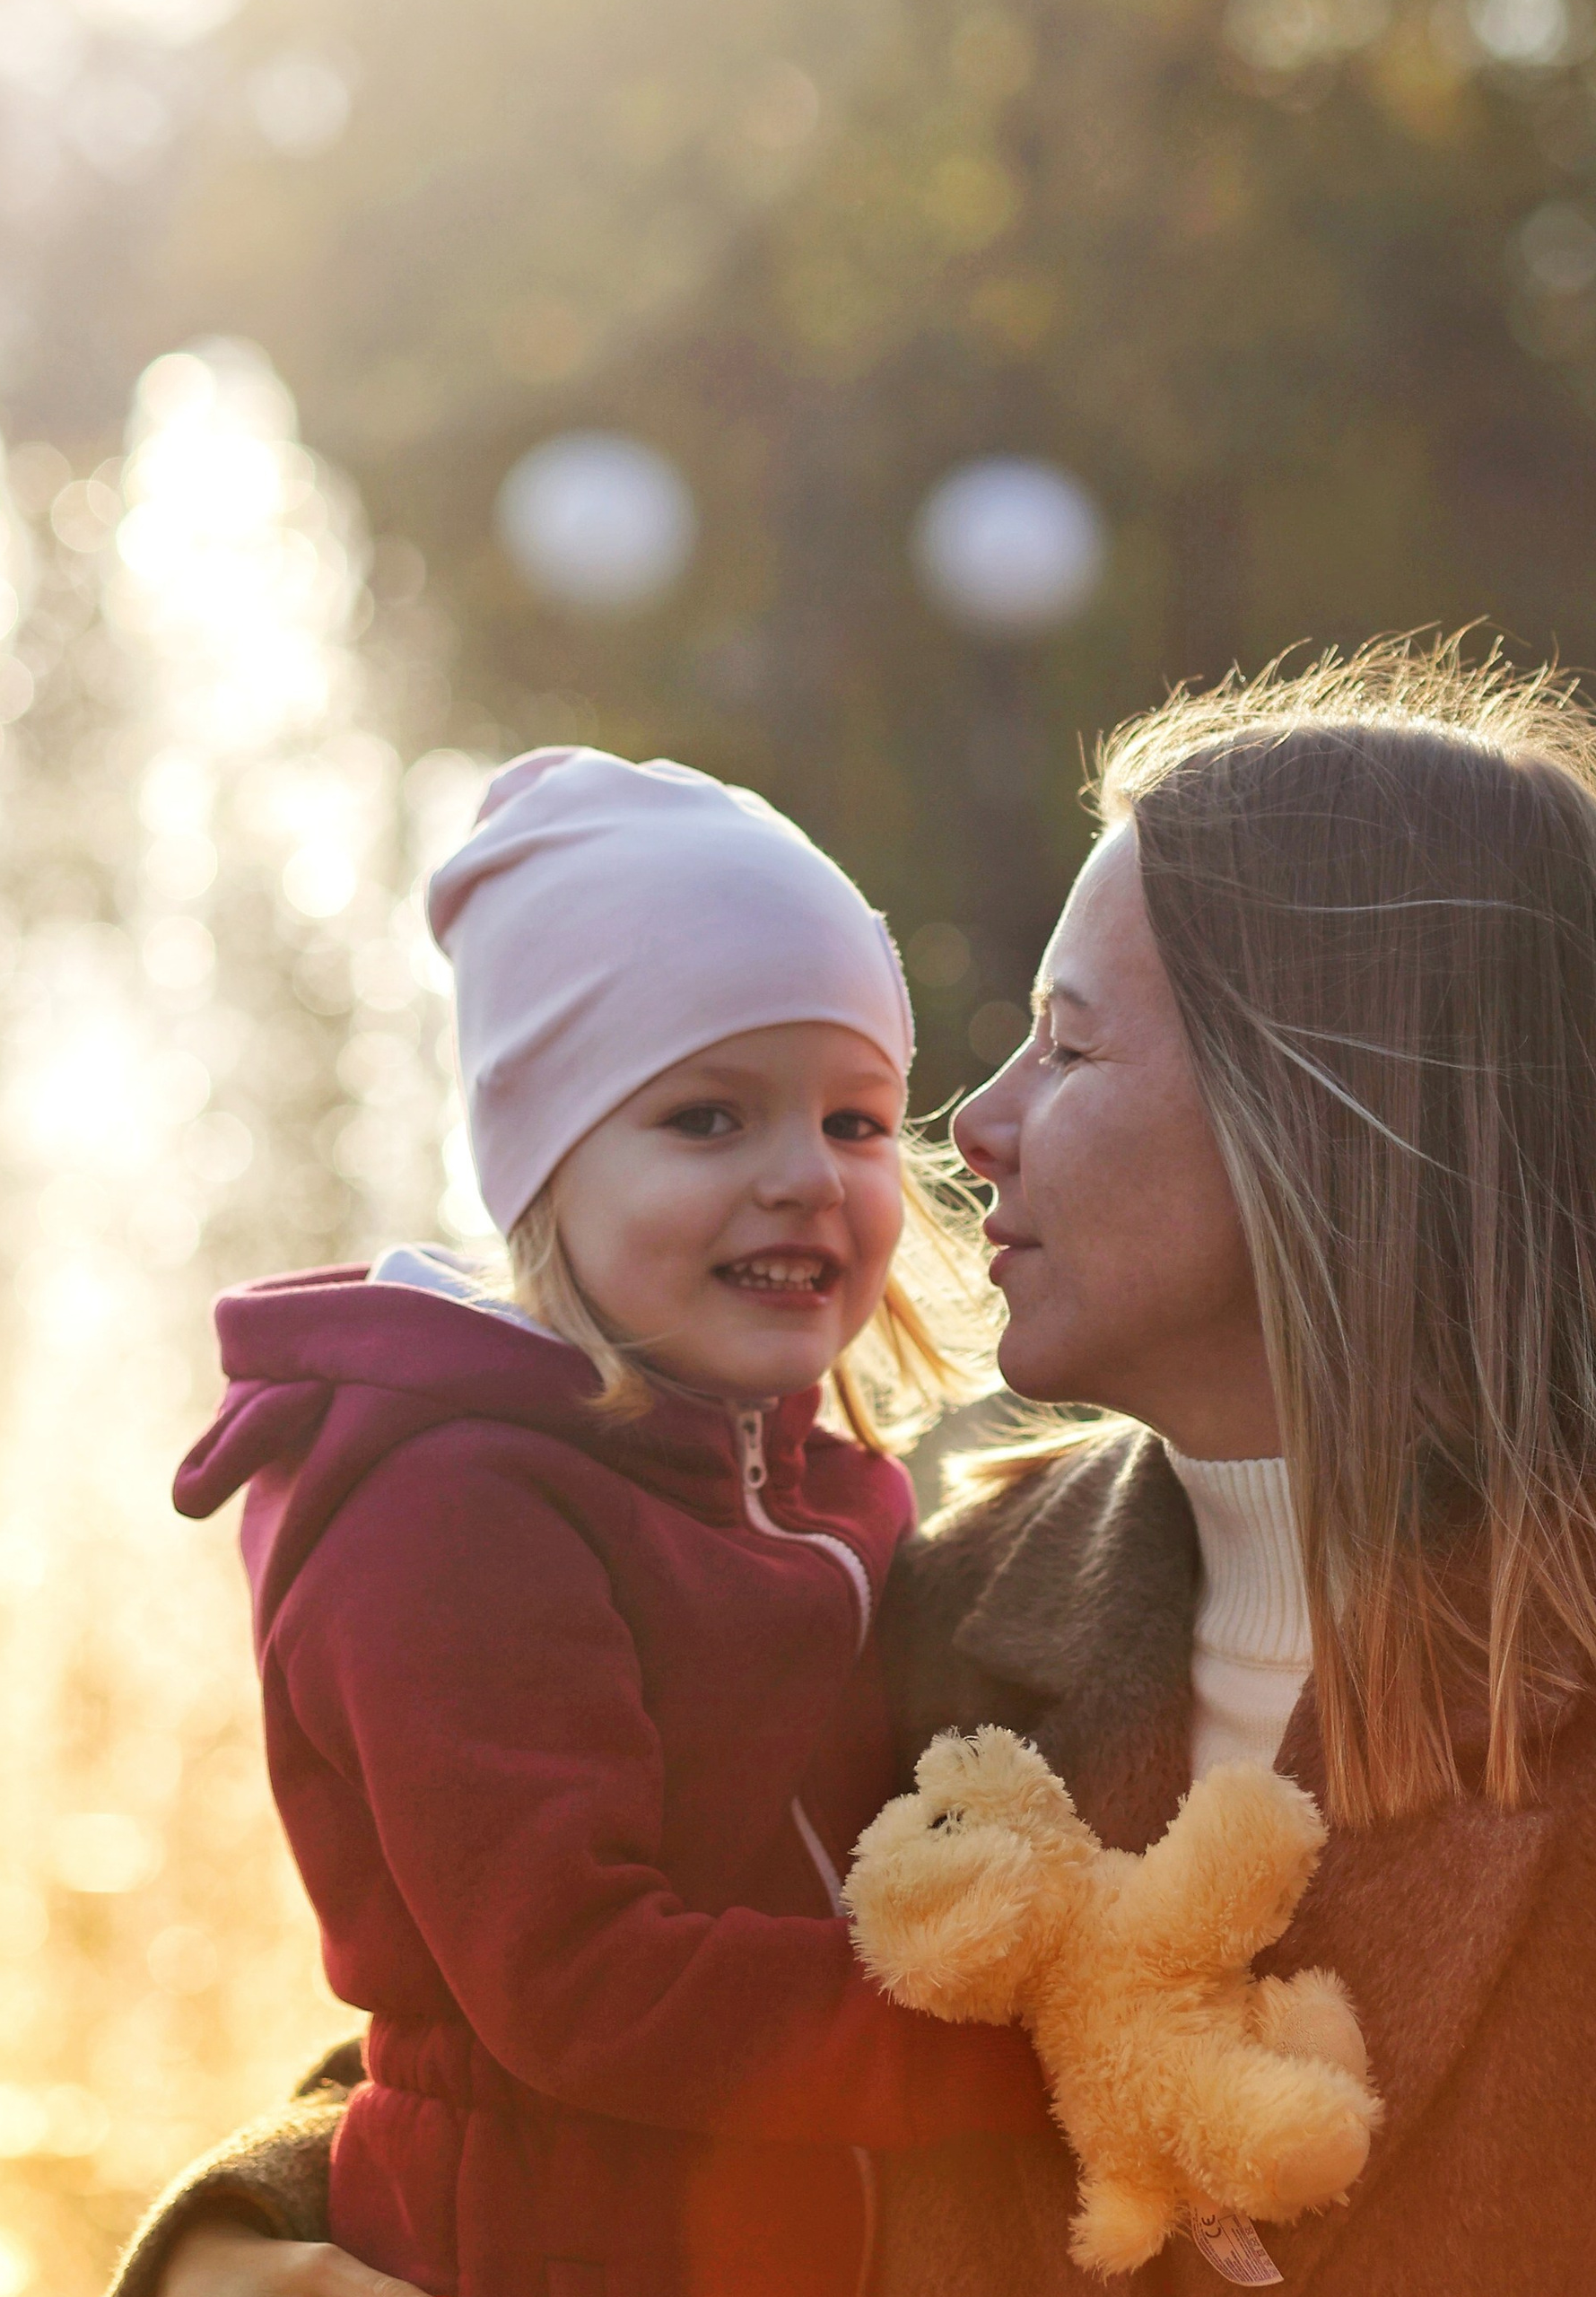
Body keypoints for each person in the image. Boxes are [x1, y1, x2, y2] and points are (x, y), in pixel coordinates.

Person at [119, 647, 1596, 2296]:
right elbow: (536, 2031)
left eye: (1068, 1045)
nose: (971, 1128)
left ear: (1324, 1121)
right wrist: (243, 2247)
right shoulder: (952, 1607)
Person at [156, 747, 1056, 2297]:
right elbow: (579, 1977)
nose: (803, 1179)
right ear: (542, 1170)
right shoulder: (453, 1509)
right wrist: (1027, 2043)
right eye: (708, 1119)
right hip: (546, 2243)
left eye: (854, 1120)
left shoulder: (817, 1476)